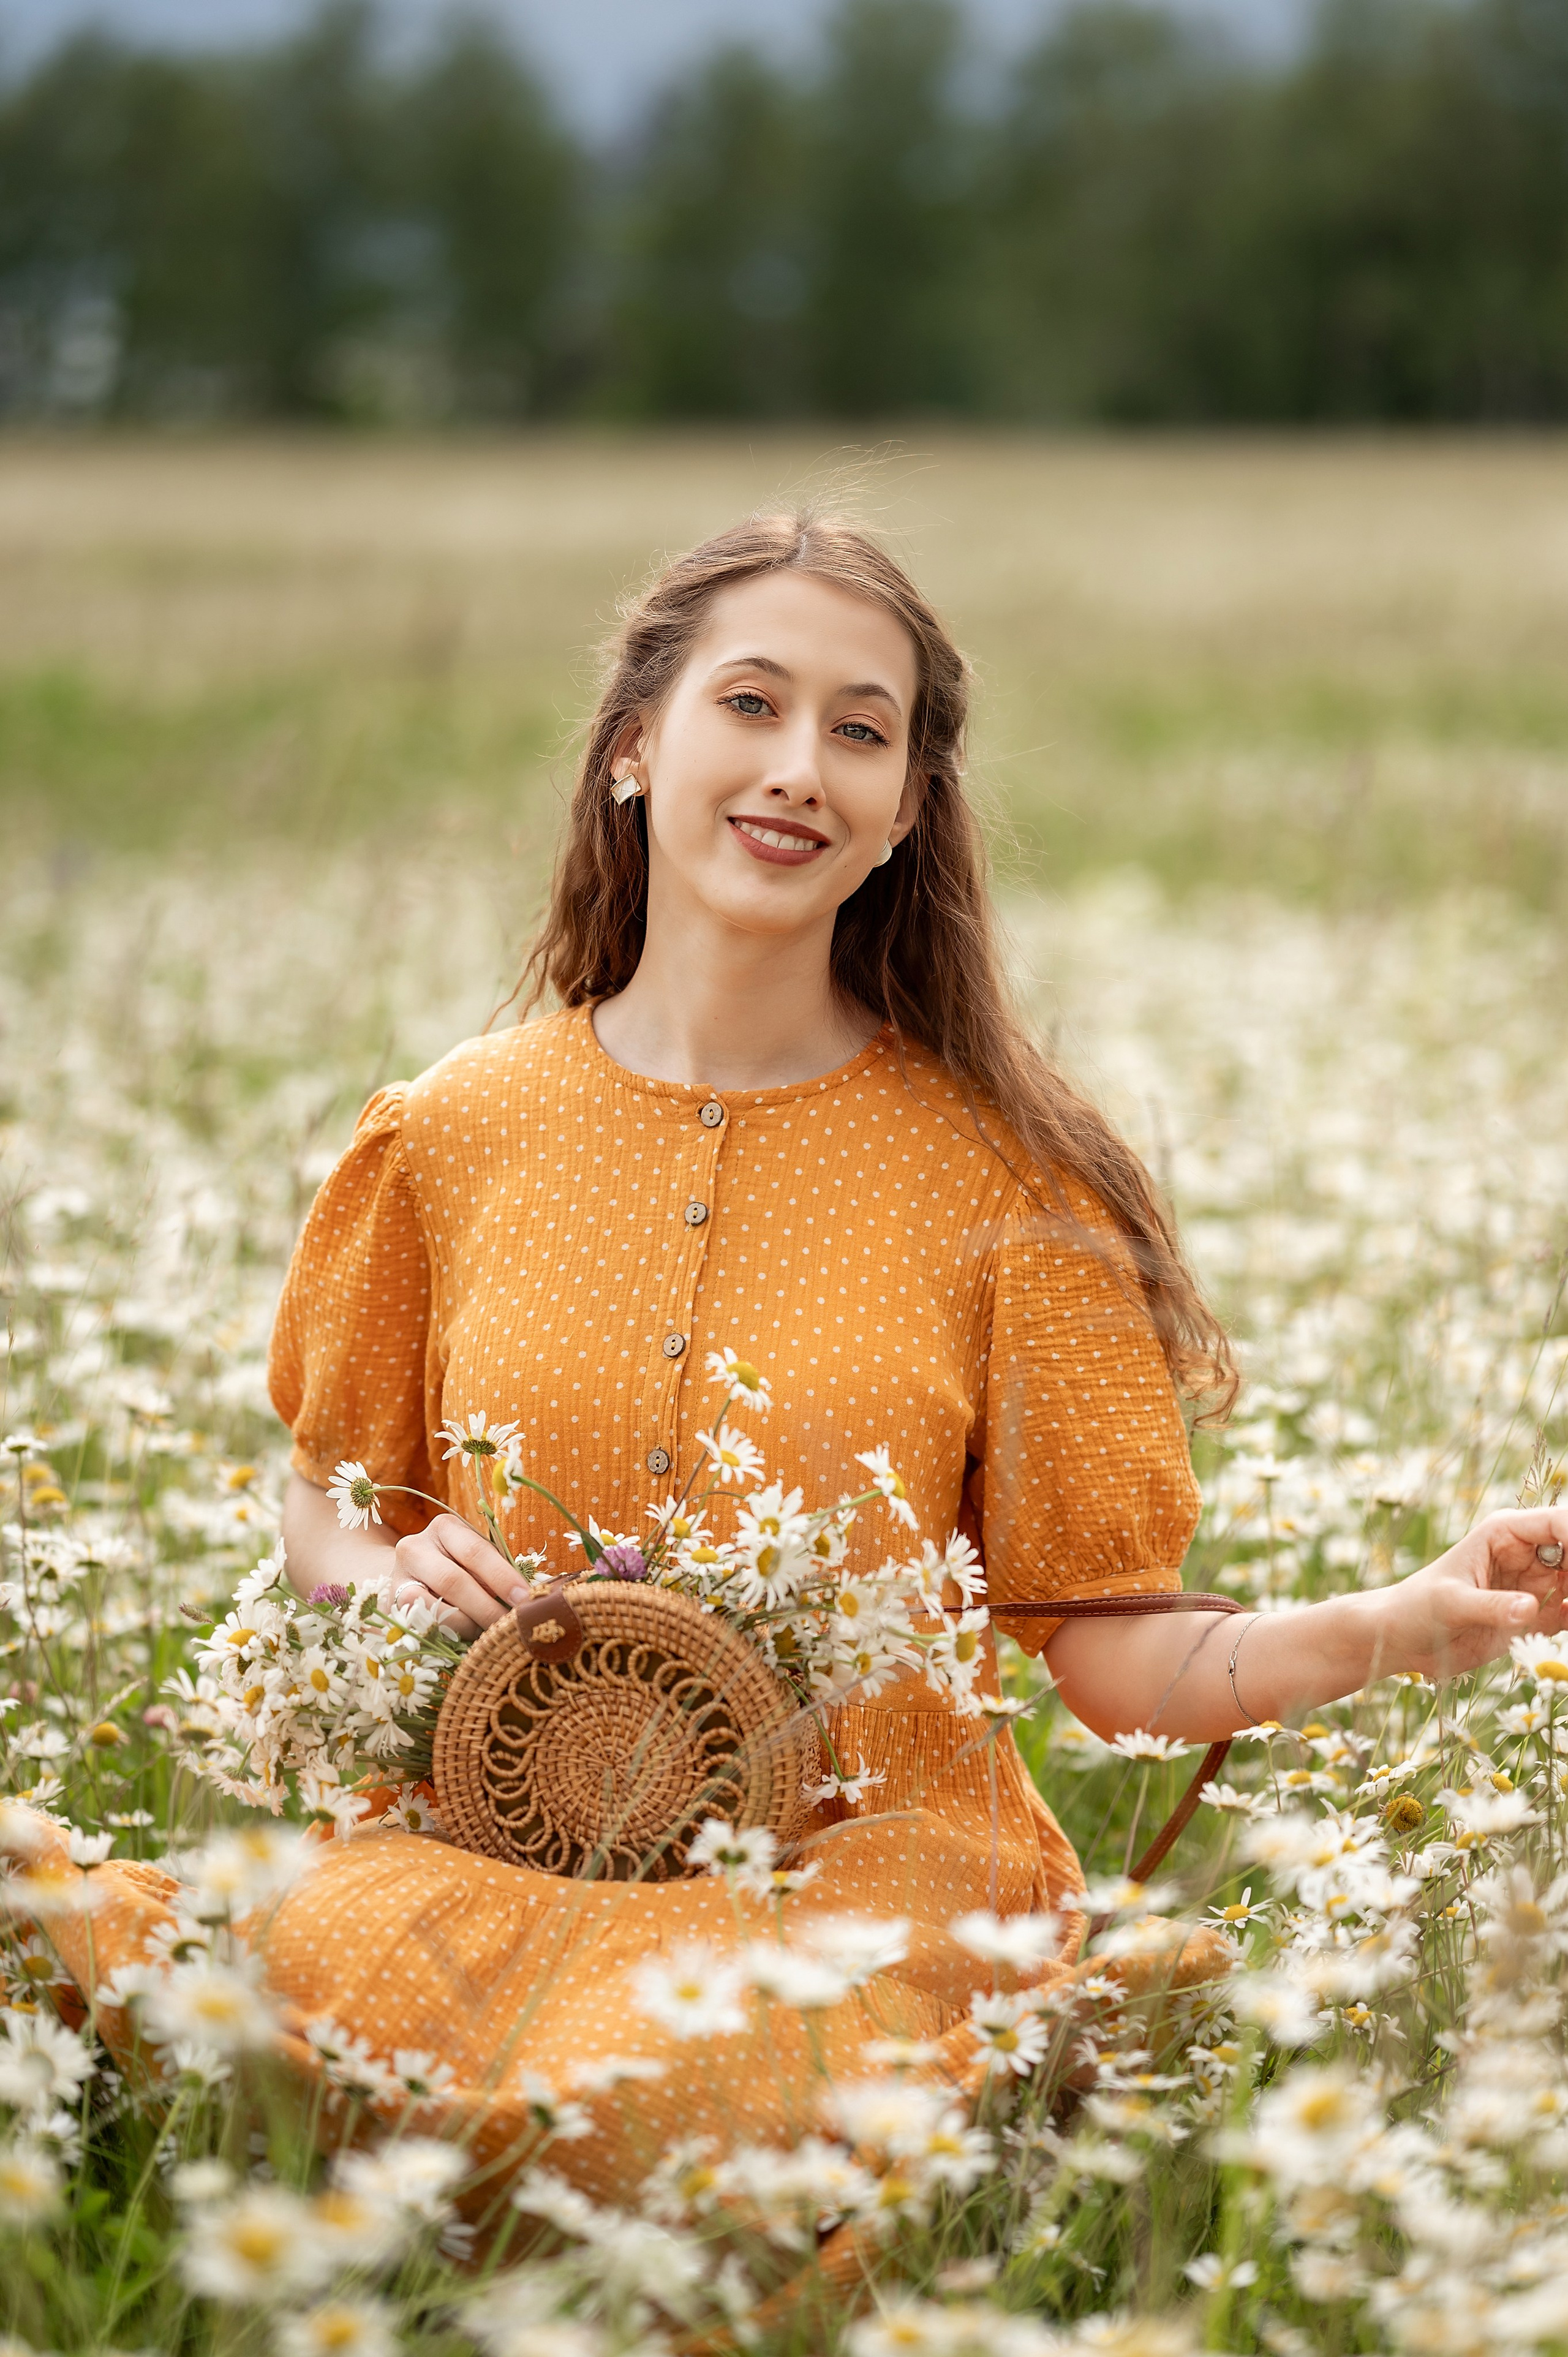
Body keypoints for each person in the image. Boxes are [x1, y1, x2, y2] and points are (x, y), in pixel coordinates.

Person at [39, 511, 1568, 2217]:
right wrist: (374, 1573)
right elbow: (330, 1494)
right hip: (478, 1851)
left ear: (910, 808)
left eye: (861, 730)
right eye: (751, 705)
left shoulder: (1014, 1183)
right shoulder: (450, 1136)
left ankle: (983, 2038)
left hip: (860, 1880)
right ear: (635, 747)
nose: (799, 769)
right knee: (127, 1969)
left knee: (667, 2095)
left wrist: (1404, 1623)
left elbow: (1116, 1660)